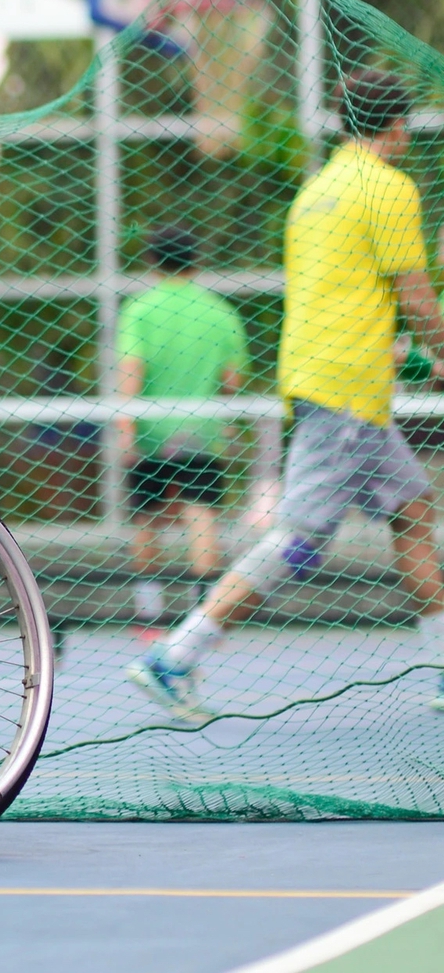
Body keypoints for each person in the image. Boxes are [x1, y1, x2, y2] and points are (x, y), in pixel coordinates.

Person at [131, 71, 444, 718]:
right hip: (348, 395)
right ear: (400, 125)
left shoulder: (317, 191)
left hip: (325, 381)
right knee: (299, 539)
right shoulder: (389, 188)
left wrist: (408, 356)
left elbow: (345, 299)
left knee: (414, 509)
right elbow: (417, 298)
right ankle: (175, 654)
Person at [116, 225, 247, 623]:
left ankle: (149, 616)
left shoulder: (140, 308)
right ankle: (201, 616)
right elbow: (232, 380)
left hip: (151, 428)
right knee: (201, 514)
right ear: (196, 259)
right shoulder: (220, 309)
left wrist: (125, 429)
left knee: (146, 517)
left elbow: (131, 371)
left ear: (151, 261)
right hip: (203, 428)